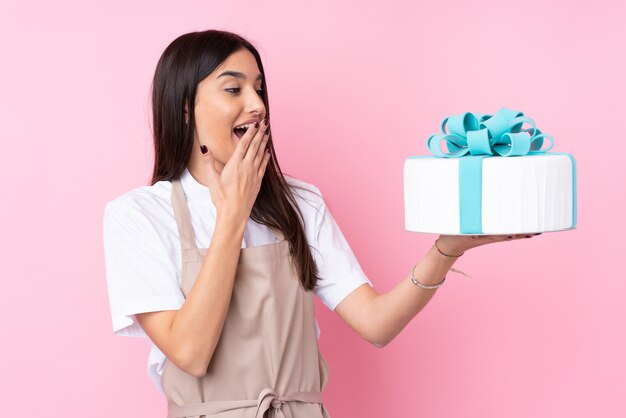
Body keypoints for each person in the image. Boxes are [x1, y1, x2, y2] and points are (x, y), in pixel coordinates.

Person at [103, 29, 539, 418]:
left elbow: (376, 324)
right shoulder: (139, 216)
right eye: (233, 89)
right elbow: (190, 353)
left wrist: (447, 249)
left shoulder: (299, 202)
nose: (256, 106)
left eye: (259, 89)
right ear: (183, 108)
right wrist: (233, 214)